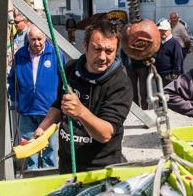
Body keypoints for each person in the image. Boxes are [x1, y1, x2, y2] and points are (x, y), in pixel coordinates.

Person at [36, 20, 133, 173]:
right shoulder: (70, 69)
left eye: (109, 51)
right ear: (85, 45)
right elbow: (59, 104)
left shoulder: (120, 84)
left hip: (100, 170)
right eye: (97, 49)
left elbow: (105, 134)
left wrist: (81, 112)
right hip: (67, 165)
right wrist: (43, 128)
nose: (102, 57)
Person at [7, 27, 64, 170]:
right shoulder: (20, 55)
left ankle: (49, 174)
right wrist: (15, 99)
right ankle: (30, 175)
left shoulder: (56, 54)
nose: (37, 43)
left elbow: (65, 80)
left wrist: (60, 104)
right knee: (28, 148)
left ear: (45, 38)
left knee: (50, 149)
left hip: (49, 111)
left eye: (39, 39)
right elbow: (12, 79)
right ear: (28, 39)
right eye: (33, 39)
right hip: (26, 111)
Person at [155, 20, 184, 86]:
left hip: (169, 76)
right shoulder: (160, 42)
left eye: (165, 30)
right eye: (161, 30)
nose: (163, 32)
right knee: (160, 94)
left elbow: (178, 60)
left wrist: (174, 75)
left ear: (169, 30)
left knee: (169, 95)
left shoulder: (174, 43)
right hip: (160, 75)